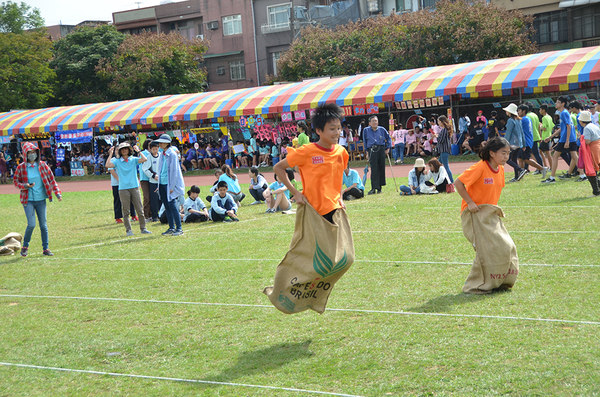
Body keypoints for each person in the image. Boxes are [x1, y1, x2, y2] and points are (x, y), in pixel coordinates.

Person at [273, 103, 349, 224]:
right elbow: (278, 168)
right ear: (319, 130)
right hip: (313, 210)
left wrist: (340, 197)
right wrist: (296, 193)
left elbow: (339, 176)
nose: (337, 132)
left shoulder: (341, 152)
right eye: (332, 128)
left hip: (335, 208)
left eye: (339, 128)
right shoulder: (307, 151)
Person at [13, 142, 62, 257]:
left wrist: (57, 193)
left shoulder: (43, 165)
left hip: (41, 200)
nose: (32, 155)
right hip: (27, 200)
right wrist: (25, 186)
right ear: (25, 154)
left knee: (43, 225)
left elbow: (51, 180)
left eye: (34, 152)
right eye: (30, 153)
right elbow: (16, 182)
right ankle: (25, 247)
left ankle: (46, 248)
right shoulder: (21, 168)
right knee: (31, 224)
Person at [105, 142, 151, 237]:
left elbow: (144, 159)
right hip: (123, 188)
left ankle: (143, 228)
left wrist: (138, 151)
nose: (124, 150)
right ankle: (128, 230)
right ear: (120, 151)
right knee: (126, 211)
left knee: (140, 210)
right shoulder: (117, 161)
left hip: (134, 187)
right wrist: (110, 154)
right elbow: (108, 165)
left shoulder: (133, 159)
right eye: (122, 149)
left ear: (129, 150)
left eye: (126, 148)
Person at [543, 96, 579, 184]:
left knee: (555, 156)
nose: (556, 104)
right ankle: (583, 174)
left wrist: (567, 141)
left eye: (558, 102)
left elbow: (569, 126)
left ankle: (552, 177)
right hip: (569, 138)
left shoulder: (563, 113)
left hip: (566, 139)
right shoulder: (564, 113)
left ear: (563, 103)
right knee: (574, 156)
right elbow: (562, 128)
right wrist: (551, 137)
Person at [155, 134, 185, 236]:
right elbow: (160, 170)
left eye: (162, 142)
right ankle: (171, 227)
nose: (160, 144)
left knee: (172, 206)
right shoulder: (162, 153)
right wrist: (159, 185)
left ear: (167, 143)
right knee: (167, 206)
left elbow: (174, 171)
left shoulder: (172, 154)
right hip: (163, 183)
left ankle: (179, 228)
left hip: (169, 184)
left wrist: (172, 187)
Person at [362, 115, 391, 195]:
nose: (375, 122)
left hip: (381, 148)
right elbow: (365, 141)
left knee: (381, 167)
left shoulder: (382, 129)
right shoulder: (366, 130)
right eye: (373, 121)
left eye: (376, 121)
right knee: (374, 169)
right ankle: (373, 188)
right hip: (372, 149)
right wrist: (366, 152)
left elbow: (389, 138)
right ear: (370, 123)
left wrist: (388, 148)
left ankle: (379, 188)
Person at [517, 104, 547, 178]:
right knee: (520, 158)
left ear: (524, 111)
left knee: (526, 159)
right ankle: (520, 174)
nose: (518, 112)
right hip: (529, 140)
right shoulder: (528, 118)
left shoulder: (523, 119)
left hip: (525, 142)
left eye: (519, 110)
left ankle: (542, 168)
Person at [503, 103, 527, 183]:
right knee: (514, 159)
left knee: (507, 159)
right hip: (519, 143)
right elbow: (522, 133)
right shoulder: (518, 120)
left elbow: (508, 133)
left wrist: (504, 143)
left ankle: (521, 170)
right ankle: (517, 177)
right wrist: (523, 144)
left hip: (512, 143)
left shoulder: (510, 120)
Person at [578, 110, 600, 195]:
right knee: (595, 170)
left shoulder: (586, 128)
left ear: (581, 121)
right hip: (597, 147)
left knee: (590, 170)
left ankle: (596, 191)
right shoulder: (594, 126)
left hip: (592, 149)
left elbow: (587, 141)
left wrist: (581, 137)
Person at [142, 140, 161, 222]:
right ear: (150, 149)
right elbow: (145, 169)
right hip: (153, 182)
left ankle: (161, 214)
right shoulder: (149, 157)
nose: (155, 151)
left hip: (161, 181)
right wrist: (153, 175)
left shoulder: (161, 155)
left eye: (156, 149)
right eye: (153, 149)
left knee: (161, 199)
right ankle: (154, 216)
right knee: (154, 199)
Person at [436, 115, 454, 183]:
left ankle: (451, 182)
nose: (438, 123)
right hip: (444, 150)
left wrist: (436, 137)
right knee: (439, 165)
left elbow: (441, 140)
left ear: (442, 122)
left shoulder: (444, 130)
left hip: (444, 150)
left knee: (445, 167)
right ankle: (442, 180)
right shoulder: (446, 130)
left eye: (439, 121)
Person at [139, 139, 152, 221]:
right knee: (147, 197)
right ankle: (146, 215)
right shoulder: (143, 153)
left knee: (153, 197)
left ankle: (152, 214)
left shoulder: (153, 153)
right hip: (145, 178)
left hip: (152, 178)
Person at [539, 104, 555, 170]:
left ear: (543, 110)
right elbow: (552, 127)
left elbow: (544, 128)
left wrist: (540, 126)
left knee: (543, 152)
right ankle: (548, 166)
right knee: (546, 153)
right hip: (549, 136)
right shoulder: (549, 117)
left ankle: (547, 166)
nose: (539, 111)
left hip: (545, 137)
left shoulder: (544, 118)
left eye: (540, 109)